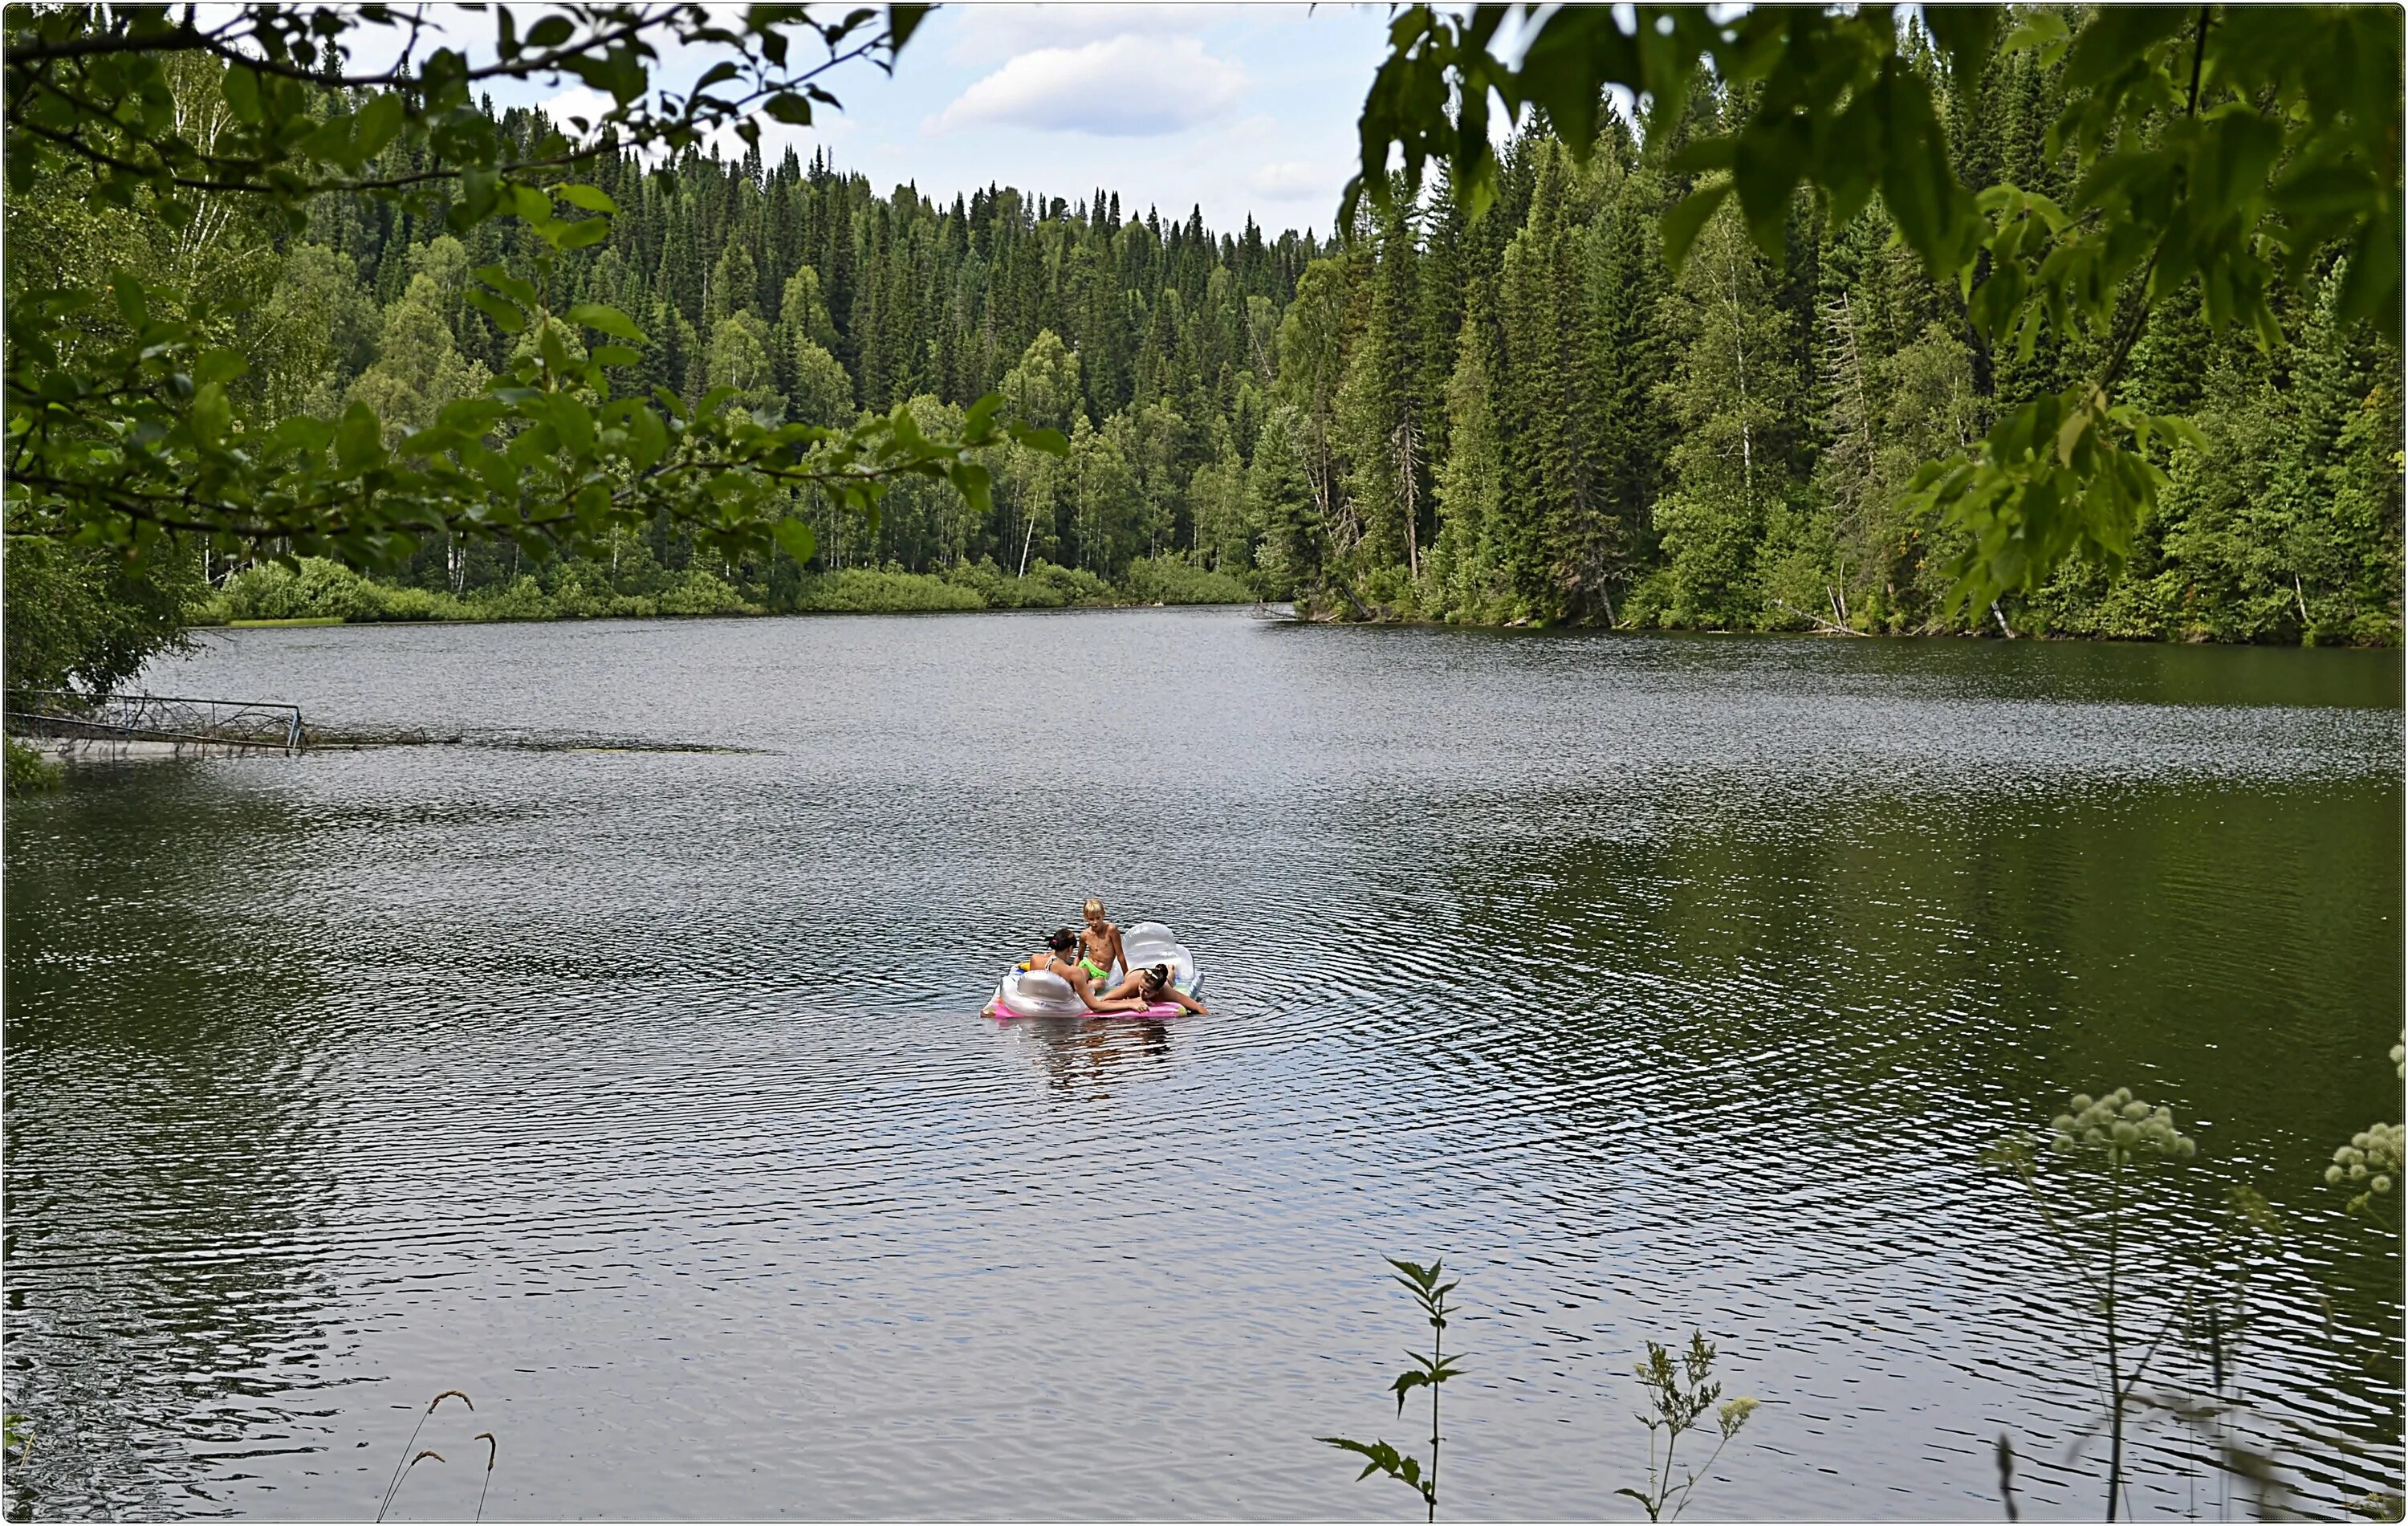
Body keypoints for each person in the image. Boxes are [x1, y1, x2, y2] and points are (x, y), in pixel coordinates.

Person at [1019, 928, 1146, 1014]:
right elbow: (1096, 1007)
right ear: (1070, 949)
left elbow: (1050, 963)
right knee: (1099, 984)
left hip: (1040, 999)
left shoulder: (1035, 959)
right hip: (1065, 1004)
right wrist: (1130, 1004)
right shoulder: (1072, 972)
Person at [1098, 962, 1208, 1015]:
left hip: (1162, 981)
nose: (1142, 992)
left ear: (1157, 991)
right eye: (1141, 988)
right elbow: (1104, 1001)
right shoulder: (1132, 986)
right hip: (1134, 973)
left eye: (1147, 991)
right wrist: (1132, 1002)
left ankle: (1171, 969)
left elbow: (1198, 1008)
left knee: (1169, 979)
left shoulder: (1165, 991)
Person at [1077, 897, 1127, 992]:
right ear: (1085, 918)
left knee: (1098, 985)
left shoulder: (1111, 930)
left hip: (1102, 972)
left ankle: (1085, 990)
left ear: (1103, 914)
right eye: (1091, 919)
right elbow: (1079, 956)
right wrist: (1074, 970)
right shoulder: (1084, 935)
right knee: (1080, 978)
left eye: (1098, 918)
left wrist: (1127, 977)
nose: (1095, 922)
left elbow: (1120, 955)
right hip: (1087, 965)